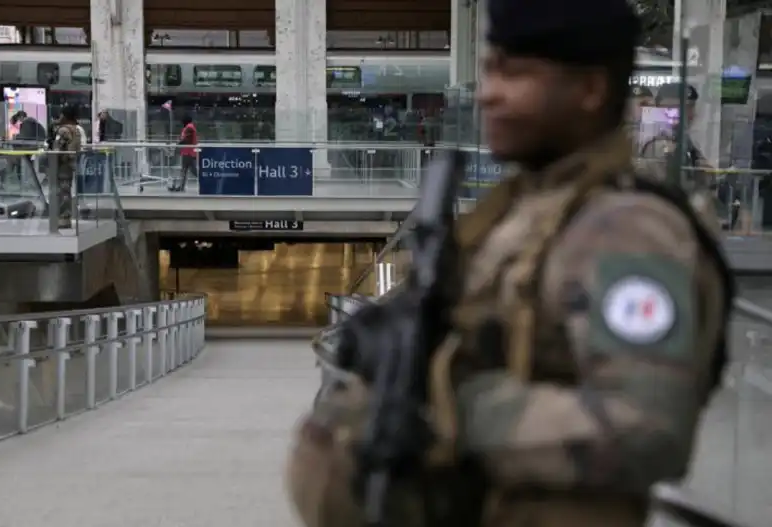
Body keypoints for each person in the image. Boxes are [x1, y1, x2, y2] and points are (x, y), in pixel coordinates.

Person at [285, 1, 734, 527]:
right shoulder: (518, 212)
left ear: (590, 90)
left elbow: (646, 429)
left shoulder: (628, 231)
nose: (489, 93)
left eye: (516, 74)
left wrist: (445, 409)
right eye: (490, 70)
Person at [639, 82, 722, 233]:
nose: (691, 115)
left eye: (691, 108)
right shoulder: (658, 142)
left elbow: (703, 173)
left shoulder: (684, 140)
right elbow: (666, 184)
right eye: (686, 108)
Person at [51, 105, 82, 229]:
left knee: (61, 191)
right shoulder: (77, 129)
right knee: (66, 190)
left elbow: (57, 148)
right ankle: (66, 217)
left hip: (62, 164)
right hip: (71, 163)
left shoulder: (63, 130)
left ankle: (62, 218)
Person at [171, 114, 197, 192]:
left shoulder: (189, 127)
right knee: (185, 170)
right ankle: (181, 187)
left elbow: (186, 139)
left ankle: (205, 181)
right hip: (188, 152)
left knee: (191, 170)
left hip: (188, 152)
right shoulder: (188, 127)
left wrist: (178, 144)